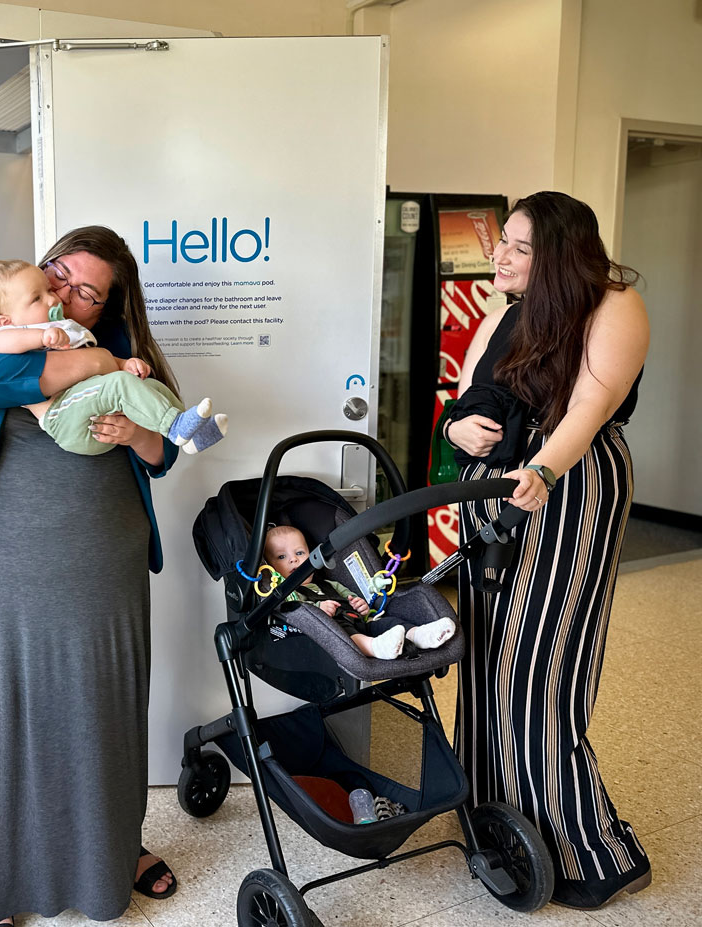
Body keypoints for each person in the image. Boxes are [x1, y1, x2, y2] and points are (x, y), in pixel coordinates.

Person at [0, 227, 187, 927]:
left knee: (101, 711)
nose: (63, 292)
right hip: (1, 553)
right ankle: (1, 880)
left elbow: (165, 449)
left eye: (86, 292)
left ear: (106, 308)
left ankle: (113, 855)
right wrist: (92, 360)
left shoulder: (120, 349)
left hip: (105, 557)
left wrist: (133, 431)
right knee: (6, 712)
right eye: (57, 273)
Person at [443, 192, 651, 910]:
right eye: (503, 241)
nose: (499, 254)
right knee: (485, 652)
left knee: (540, 658)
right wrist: (457, 431)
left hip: (568, 486)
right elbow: (466, 395)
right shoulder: (501, 314)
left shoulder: (613, 304)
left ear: (560, 253)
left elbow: (592, 403)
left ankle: (572, 843)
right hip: (491, 492)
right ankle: (492, 819)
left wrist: (541, 469)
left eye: (520, 245)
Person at [0, 259, 228, 455]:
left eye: (47, 290)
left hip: (94, 413)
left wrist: (124, 363)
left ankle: (192, 433)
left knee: (148, 385)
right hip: (64, 418)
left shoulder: (66, 327)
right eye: (37, 297)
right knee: (120, 384)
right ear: (6, 319)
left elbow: (98, 360)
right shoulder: (12, 331)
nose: (54, 298)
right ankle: (175, 426)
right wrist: (40, 338)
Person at [263, 525, 456, 660]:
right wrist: (319, 609)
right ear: (270, 566)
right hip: (335, 635)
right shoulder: (289, 594)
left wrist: (360, 605)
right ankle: (376, 648)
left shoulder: (330, 584)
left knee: (389, 623)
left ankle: (419, 635)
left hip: (360, 622)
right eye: (281, 556)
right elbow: (296, 613)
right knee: (348, 634)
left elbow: (351, 598)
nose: (293, 560)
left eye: (299, 553)